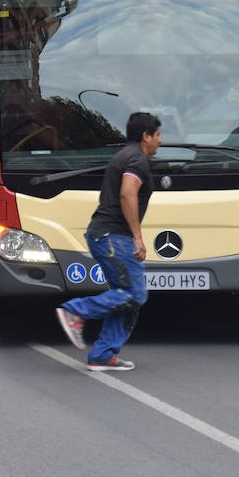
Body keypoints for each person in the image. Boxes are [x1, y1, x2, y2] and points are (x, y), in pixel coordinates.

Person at [56, 111, 161, 371]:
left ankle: (103, 354)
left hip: (105, 235)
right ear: (145, 136)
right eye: (157, 135)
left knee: (127, 298)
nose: (160, 140)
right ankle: (75, 311)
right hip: (115, 236)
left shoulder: (127, 155)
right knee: (134, 294)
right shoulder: (137, 159)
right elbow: (128, 194)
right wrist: (138, 237)